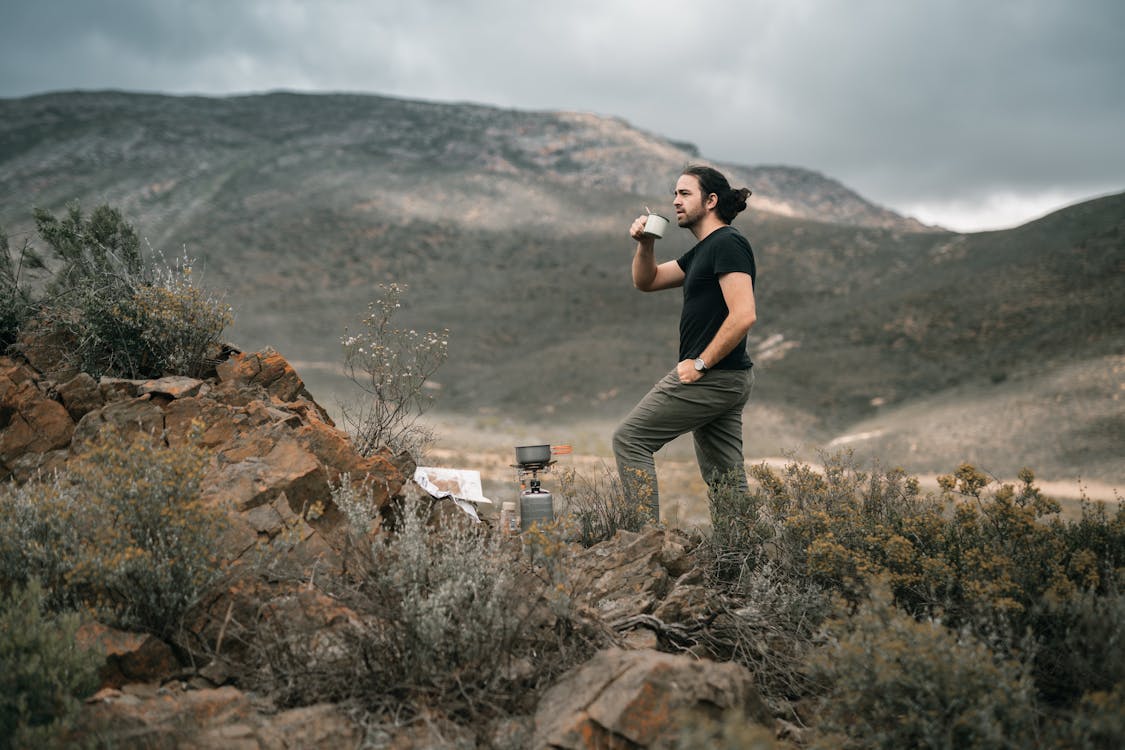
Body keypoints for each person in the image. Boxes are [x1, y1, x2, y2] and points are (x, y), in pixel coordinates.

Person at [612, 164, 757, 523]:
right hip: (728, 378)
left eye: (684, 193)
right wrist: (646, 243)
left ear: (710, 201)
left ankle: (643, 541)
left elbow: (743, 315)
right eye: (675, 194)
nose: (675, 201)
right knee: (725, 479)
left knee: (630, 439)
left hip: (712, 375)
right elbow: (648, 281)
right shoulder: (703, 251)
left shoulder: (728, 243)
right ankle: (741, 560)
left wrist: (701, 364)